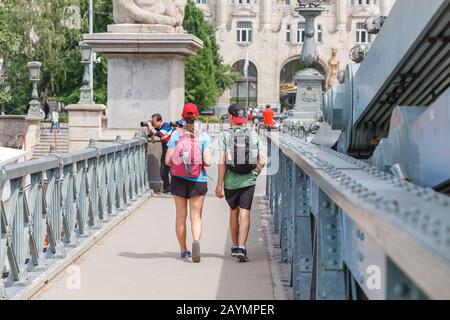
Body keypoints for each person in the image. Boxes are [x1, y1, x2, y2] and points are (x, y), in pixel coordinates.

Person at [215, 104, 266, 262]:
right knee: (245, 212)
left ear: (230, 116)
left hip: (230, 181)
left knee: (233, 212)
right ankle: (242, 248)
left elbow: (222, 162)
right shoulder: (253, 135)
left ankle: (235, 245)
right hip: (248, 180)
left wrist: (219, 184)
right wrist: (253, 174)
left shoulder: (224, 135)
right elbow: (262, 161)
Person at [165, 103, 212, 262]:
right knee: (196, 215)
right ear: (196, 116)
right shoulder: (203, 136)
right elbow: (207, 161)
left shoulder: (175, 135)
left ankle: (184, 250)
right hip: (198, 179)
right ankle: (196, 240)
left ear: (182, 116)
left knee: (180, 215)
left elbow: (167, 160)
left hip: (178, 179)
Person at [146, 114, 174, 193]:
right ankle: (167, 188)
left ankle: (173, 188)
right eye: (152, 122)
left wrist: (152, 128)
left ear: (160, 121)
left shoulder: (166, 125)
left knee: (172, 171)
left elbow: (160, 134)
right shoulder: (157, 127)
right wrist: (149, 129)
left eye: (154, 122)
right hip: (165, 150)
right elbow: (152, 139)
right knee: (163, 171)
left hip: (172, 151)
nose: (153, 123)